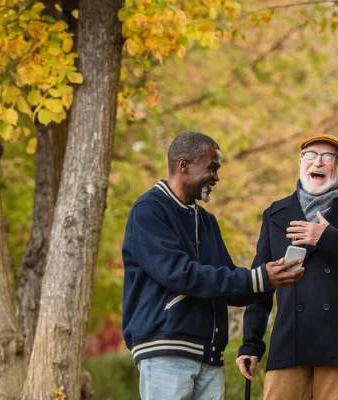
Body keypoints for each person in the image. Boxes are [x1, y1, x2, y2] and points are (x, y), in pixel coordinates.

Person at [122, 130, 304, 400]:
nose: (217, 177)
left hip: (209, 355)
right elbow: (179, 273)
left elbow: (228, 282)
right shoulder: (149, 210)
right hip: (166, 351)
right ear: (183, 165)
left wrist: (269, 280)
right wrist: (257, 279)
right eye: (212, 168)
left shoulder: (206, 221)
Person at [236, 134, 338, 400]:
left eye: (328, 157)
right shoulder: (275, 214)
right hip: (289, 345)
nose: (317, 161)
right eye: (310, 155)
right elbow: (262, 282)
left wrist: (327, 238)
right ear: (300, 163)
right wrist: (251, 342)